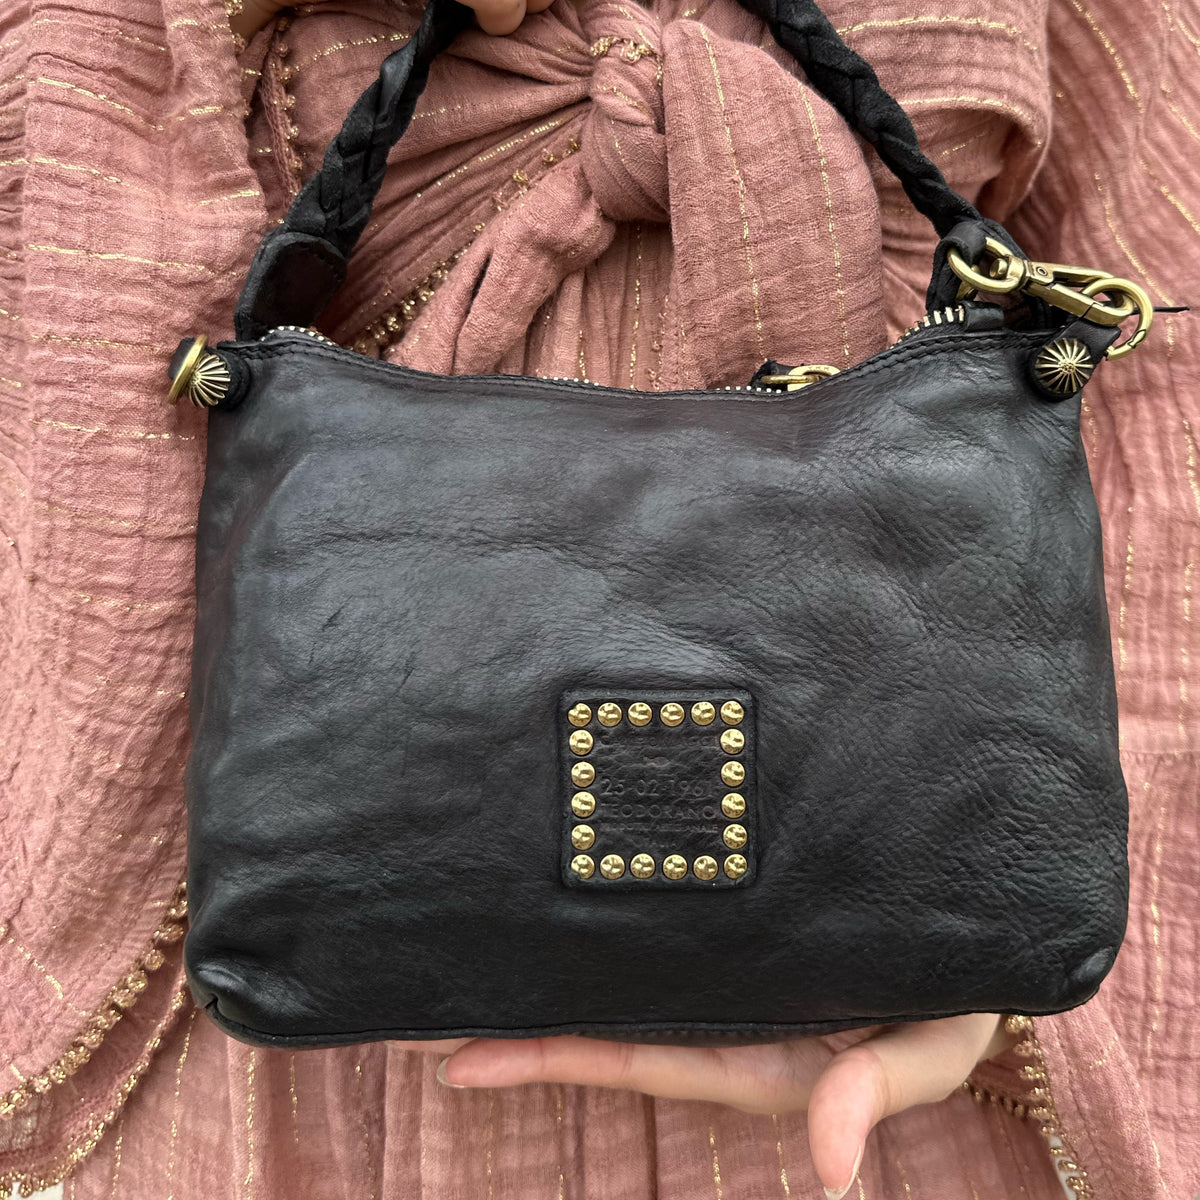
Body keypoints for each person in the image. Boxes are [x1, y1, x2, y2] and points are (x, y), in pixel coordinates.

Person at [0, 0, 1194, 1197]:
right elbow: (78, 311)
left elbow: (1157, 466)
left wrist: (986, 911)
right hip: (319, 1014)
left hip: (918, 1008)